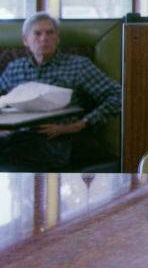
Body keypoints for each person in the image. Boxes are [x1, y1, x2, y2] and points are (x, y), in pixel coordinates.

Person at [0, 12, 121, 171]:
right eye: (37, 33)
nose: (44, 38)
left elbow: (118, 96)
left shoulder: (77, 66)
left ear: (58, 38)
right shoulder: (14, 68)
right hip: (16, 138)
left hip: (58, 139)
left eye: (50, 33)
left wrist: (78, 125)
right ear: (25, 40)